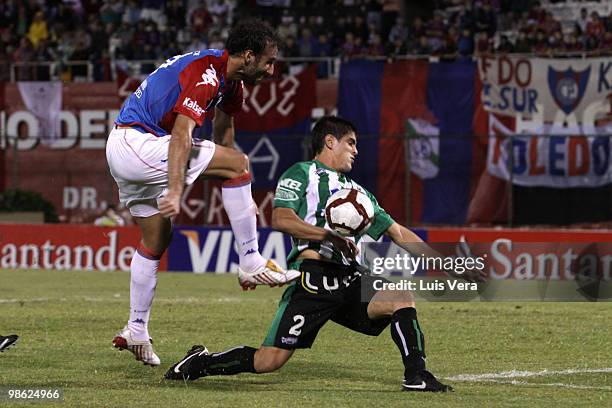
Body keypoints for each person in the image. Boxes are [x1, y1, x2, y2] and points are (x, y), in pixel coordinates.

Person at [165, 116, 484, 391]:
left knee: (400, 297)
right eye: (351, 143)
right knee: (268, 361)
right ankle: (200, 363)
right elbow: (281, 218)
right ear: (329, 141)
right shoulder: (301, 174)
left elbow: (398, 232)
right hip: (311, 283)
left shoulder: (359, 194)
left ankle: (417, 375)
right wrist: (326, 235)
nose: (356, 151)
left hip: (349, 279)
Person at [106, 18, 299, 366]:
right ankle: (251, 261)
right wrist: (179, 188)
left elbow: (224, 134)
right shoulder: (207, 74)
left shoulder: (232, 84)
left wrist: (238, 187)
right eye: (269, 61)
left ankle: (136, 327)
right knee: (237, 163)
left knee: (155, 241)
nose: (272, 70)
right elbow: (182, 134)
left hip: (127, 148)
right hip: (137, 142)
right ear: (249, 55)